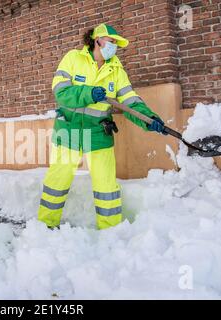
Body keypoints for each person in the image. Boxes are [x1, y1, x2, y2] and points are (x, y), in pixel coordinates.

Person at [38, 23, 167, 230]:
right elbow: (61, 93)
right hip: (68, 129)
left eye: (116, 43)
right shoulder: (73, 58)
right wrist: (88, 93)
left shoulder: (116, 70)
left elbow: (130, 101)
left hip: (98, 131)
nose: (114, 46)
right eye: (111, 41)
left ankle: (111, 230)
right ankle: (45, 225)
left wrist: (149, 119)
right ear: (97, 39)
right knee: (57, 181)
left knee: (106, 185)